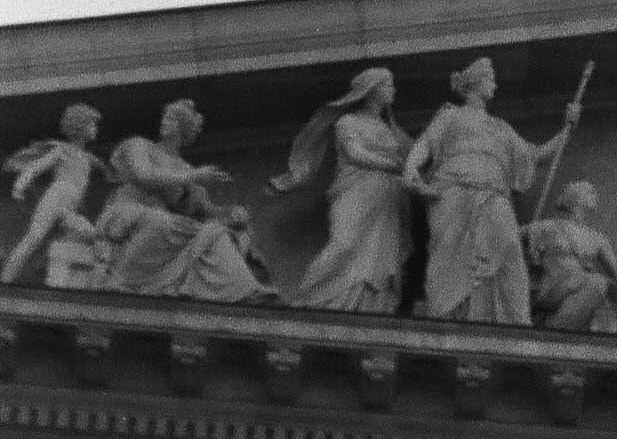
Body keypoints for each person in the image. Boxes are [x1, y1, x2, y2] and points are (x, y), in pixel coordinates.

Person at [403, 58, 579, 324]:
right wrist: (410, 169)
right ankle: (447, 319)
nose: (495, 85)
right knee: (450, 257)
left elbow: (538, 155)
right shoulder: (450, 115)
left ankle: (512, 323)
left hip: (493, 195)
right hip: (454, 193)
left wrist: (568, 127)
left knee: (508, 249)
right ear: (477, 83)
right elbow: (425, 144)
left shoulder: (501, 128)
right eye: (492, 79)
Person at [96, 100, 271, 303]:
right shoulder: (139, 145)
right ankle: (126, 281)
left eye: (170, 119)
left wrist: (232, 212)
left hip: (162, 229)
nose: (163, 122)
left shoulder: (187, 169)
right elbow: (143, 174)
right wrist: (191, 177)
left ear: (182, 128)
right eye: (165, 117)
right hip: (125, 214)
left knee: (214, 233)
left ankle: (248, 291)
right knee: (161, 220)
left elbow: (203, 210)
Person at [271, 68, 414, 313]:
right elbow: (355, 154)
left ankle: (370, 308)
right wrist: (394, 165)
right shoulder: (347, 122)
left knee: (381, 263)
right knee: (343, 244)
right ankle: (305, 300)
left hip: (387, 202)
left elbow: (416, 157)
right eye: (387, 85)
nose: (393, 90)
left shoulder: (392, 131)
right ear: (371, 90)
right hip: (356, 194)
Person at [525, 180, 617, 331]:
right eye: (589, 191)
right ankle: (556, 331)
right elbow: (511, 239)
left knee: (599, 287)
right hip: (553, 289)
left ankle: (557, 330)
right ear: (575, 197)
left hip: (581, 290)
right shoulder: (547, 227)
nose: (594, 194)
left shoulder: (597, 238)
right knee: (598, 283)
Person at [2, 104, 104, 285]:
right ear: (80, 127)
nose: (95, 129)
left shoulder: (87, 158)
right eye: (92, 124)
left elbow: (101, 168)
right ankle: (6, 278)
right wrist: (20, 185)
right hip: (57, 197)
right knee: (34, 238)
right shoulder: (62, 150)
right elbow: (36, 167)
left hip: (69, 207)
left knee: (91, 233)